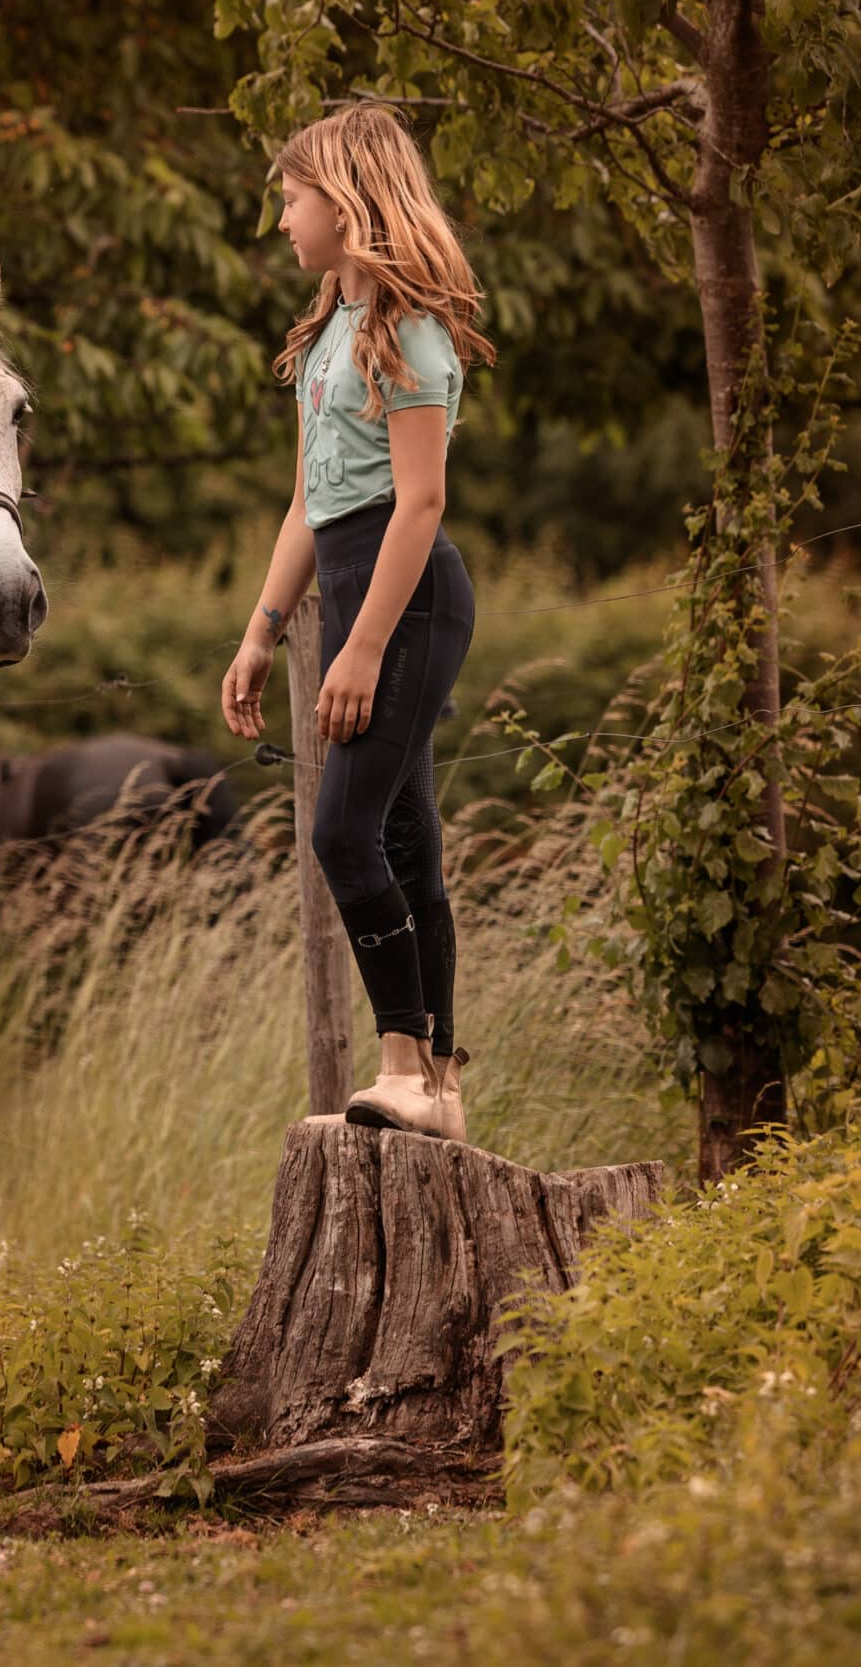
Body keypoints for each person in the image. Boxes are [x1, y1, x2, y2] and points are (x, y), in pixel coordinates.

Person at [219, 104, 497, 1142]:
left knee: (343, 828)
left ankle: (403, 1069)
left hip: (407, 596)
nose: (281, 221)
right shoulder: (332, 334)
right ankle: (440, 1082)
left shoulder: (409, 334)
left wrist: (365, 645)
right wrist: (263, 630)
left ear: (343, 202)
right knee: (403, 835)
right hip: (351, 586)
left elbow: (418, 506)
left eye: (291, 199)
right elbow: (308, 505)